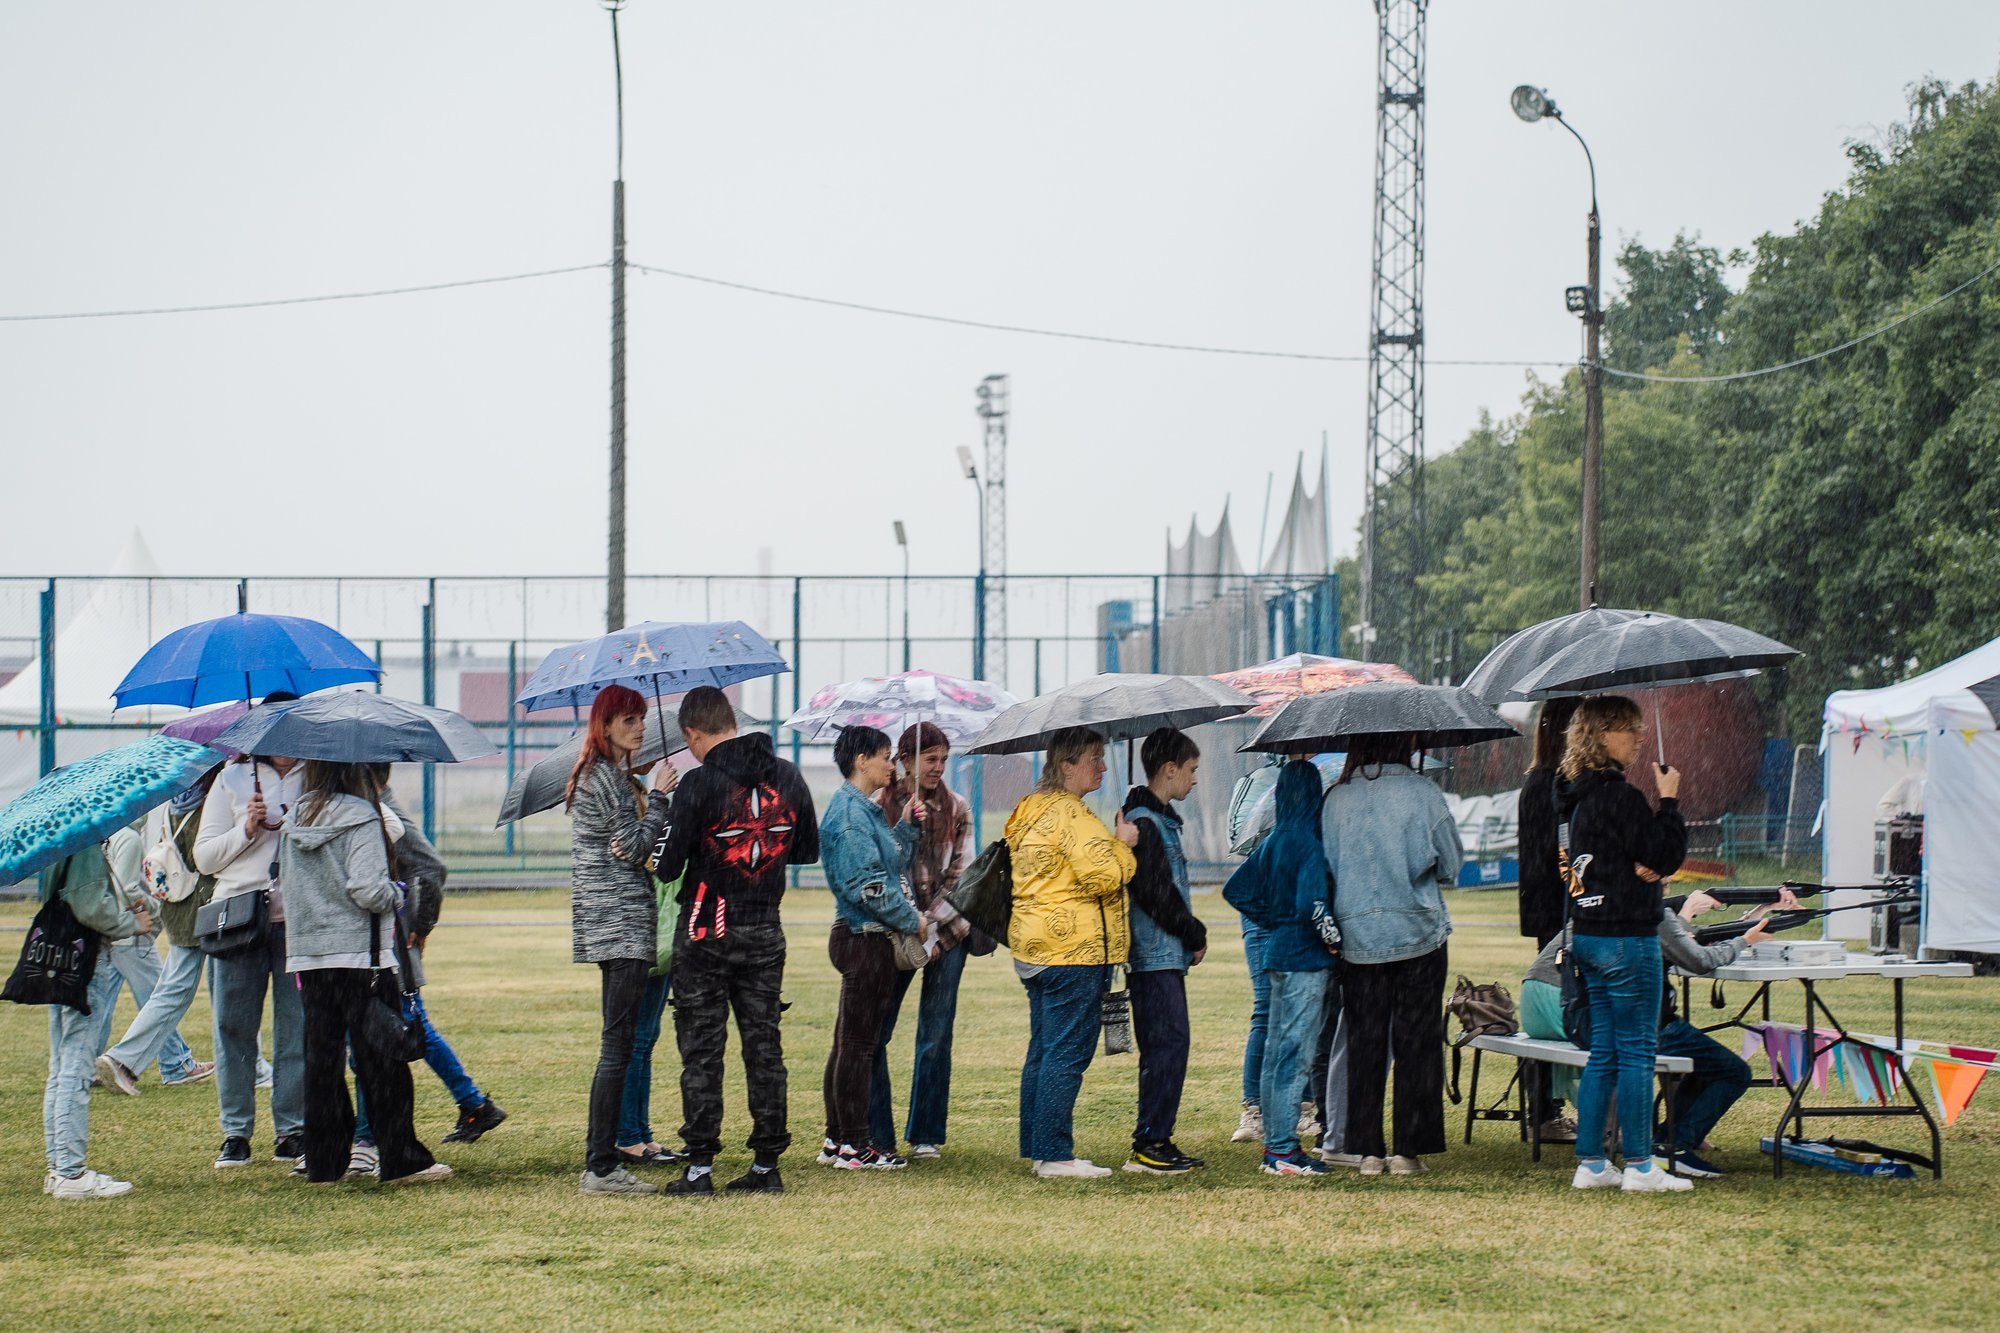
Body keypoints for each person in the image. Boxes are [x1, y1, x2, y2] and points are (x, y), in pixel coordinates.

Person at [651, 685, 820, 1197]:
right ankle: (767, 1165)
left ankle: (699, 1166)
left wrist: (664, 811)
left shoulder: (698, 784)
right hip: (766, 926)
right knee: (764, 1047)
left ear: (692, 734)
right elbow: (806, 849)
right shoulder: (788, 776)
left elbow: (668, 865)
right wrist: (761, 857)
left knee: (702, 1050)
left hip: (706, 927)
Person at [1526, 888, 1781, 1180]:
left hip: (1586, 1017)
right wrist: (1743, 940)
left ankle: (1604, 1159)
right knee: (1732, 1070)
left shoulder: (1596, 909)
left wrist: (1752, 919)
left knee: (1668, 1062)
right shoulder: (1650, 912)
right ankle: (1663, 1150)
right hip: (1644, 1020)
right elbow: (1696, 958)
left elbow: (1689, 941)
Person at [279, 760, 449, 1185]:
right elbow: (366, 889)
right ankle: (401, 1158)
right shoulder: (363, 817)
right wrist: (398, 891)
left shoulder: (295, 818)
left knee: (322, 1062)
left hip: (310, 957)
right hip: (361, 956)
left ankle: (325, 1160)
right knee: (381, 1062)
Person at [1556, 695, 1691, 1193]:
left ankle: (1591, 1161)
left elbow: (1625, 858)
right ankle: (1639, 1164)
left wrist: (1643, 863)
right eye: (1629, 729)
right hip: (1626, 938)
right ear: (1604, 734)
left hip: (1587, 933)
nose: (1639, 737)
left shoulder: (1571, 799)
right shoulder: (1621, 797)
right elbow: (1663, 853)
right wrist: (1669, 802)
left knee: (1606, 1053)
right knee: (1637, 1051)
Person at [343, 768, 506, 1178]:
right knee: (407, 1027)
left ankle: (367, 1139)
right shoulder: (367, 809)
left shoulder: (385, 814)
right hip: (378, 942)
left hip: (390, 942)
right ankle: (473, 1105)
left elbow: (432, 867)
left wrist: (420, 923)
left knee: (388, 1033)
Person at [1322, 732, 1460, 1177]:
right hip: (1418, 933)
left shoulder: (1335, 800)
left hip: (1358, 939)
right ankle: (1407, 1149)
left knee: (1365, 1044)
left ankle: (1366, 1150)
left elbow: (1328, 865)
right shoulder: (1424, 794)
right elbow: (1452, 864)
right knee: (1415, 1044)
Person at [1007, 726, 1138, 1180]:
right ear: (1066, 766)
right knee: (1066, 1052)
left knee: (1043, 1049)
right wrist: (1123, 844)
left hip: (1033, 947)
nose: (1101, 766)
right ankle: (1055, 1155)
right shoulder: (1072, 814)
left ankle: (1038, 1144)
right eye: (1093, 758)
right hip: (1074, 952)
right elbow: (1103, 875)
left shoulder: (1029, 809)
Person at [565, 685, 678, 1196]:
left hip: (613, 922)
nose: (640, 727)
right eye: (630, 719)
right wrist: (657, 799)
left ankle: (603, 1160)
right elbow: (631, 849)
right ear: (605, 724)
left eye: (642, 718)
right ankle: (602, 1166)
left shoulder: (606, 776)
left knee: (620, 1044)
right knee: (618, 1047)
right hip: (620, 924)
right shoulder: (604, 779)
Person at [193, 727, 308, 1169]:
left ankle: (291, 1129)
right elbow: (205, 858)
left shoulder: (317, 776)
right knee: (233, 1026)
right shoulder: (233, 777)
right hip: (239, 916)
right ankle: (236, 1132)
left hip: (296, 919)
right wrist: (246, 828)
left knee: (295, 1025)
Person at [819, 725, 930, 1170]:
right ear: (861, 760)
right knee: (859, 1047)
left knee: (846, 1043)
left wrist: (906, 829)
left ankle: (836, 1140)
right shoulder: (849, 817)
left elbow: (887, 863)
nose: (893, 764)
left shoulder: (864, 811)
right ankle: (855, 1145)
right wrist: (913, 920)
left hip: (863, 934)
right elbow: (870, 887)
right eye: (885, 756)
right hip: (865, 937)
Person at [1226, 757, 1339, 1175]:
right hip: (1305, 960)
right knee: (1297, 1055)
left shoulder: (1272, 840)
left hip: (1275, 953)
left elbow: (1236, 890)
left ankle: (1273, 1144)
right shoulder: (1308, 842)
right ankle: (1284, 1150)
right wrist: (1335, 942)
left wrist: (1270, 918)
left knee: (1276, 1055)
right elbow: (1316, 906)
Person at [868, 720, 975, 1161]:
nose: (939, 767)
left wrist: (931, 924)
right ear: (905, 761)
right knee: (877, 1033)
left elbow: (961, 876)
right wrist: (910, 921)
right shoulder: (880, 806)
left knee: (936, 1035)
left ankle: (926, 1133)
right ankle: (878, 1134)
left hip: (948, 933)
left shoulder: (959, 807)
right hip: (896, 935)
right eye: (931, 759)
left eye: (944, 760)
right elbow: (881, 870)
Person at [1119, 726, 1209, 1175]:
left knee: (1169, 1044)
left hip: (1163, 956)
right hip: (1154, 957)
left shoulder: (1156, 819)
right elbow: (1156, 894)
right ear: (1168, 769)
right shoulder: (1145, 824)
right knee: (1166, 1045)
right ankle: (1149, 1143)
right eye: (1190, 770)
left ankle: (1158, 1138)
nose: (1194, 779)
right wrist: (1194, 933)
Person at [96, 775, 219, 1096]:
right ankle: (164, 1063)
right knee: (168, 994)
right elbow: (129, 890)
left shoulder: (166, 809)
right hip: (156, 927)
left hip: (144, 924)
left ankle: (166, 1063)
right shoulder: (131, 837)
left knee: (131, 998)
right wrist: (147, 908)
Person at [43, 841, 152, 1198]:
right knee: (75, 1064)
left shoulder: (59, 838)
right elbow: (91, 905)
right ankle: (71, 1174)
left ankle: (58, 1167)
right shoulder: (85, 843)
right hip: (86, 957)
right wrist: (131, 924)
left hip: (60, 954)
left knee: (61, 1065)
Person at [1515, 697, 1579, 1143]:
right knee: (1557, 1004)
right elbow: (1556, 856)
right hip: (1559, 906)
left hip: (1548, 905)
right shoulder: (1551, 786)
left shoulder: (1538, 783)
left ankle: (1546, 1106)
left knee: (1555, 1002)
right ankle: (1543, 1108)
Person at [1225, 758, 1282, 1145]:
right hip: (1265, 904)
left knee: (1310, 1010)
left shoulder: (1328, 775)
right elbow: (1240, 836)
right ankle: (1254, 1109)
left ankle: (1305, 1106)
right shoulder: (1259, 782)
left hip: (1297, 904)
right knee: (1266, 1007)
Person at [616, 872, 683, 1168]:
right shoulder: (637, 828)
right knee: (635, 1041)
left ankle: (641, 1133)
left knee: (646, 1039)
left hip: (664, 929)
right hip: (647, 932)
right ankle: (628, 1136)